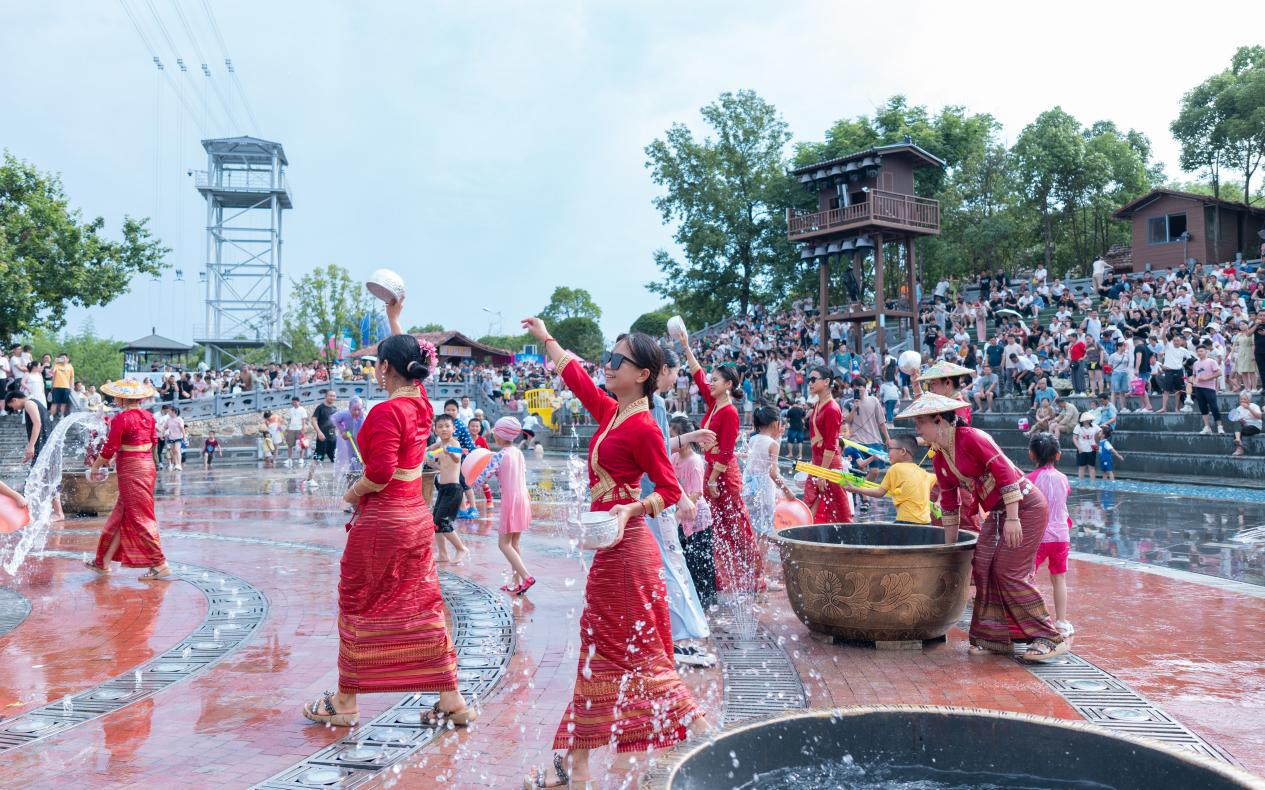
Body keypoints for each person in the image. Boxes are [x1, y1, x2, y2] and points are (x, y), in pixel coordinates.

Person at [522, 316, 706, 789]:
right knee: (601, 653)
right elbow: (577, 379)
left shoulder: (643, 426)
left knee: (632, 655)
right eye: (608, 357)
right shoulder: (613, 412)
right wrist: (546, 338)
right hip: (613, 552)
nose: (607, 365)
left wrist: (631, 509)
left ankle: (702, 731)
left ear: (642, 374)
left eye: (617, 361)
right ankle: (578, 764)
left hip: (629, 553)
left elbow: (668, 489)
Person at [305, 297, 473, 730]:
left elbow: (378, 473)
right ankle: (452, 698)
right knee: (421, 602)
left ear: (383, 368)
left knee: (359, 601)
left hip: (384, 521)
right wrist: (395, 319)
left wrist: (352, 493)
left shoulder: (386, 411)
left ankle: (346, 701)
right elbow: (411, 366)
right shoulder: (422, 405)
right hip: (415, 517)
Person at [898, 392, 1067, 662]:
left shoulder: (973, 437)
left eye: (921, 422)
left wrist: (1013, 518)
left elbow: (1005, 473)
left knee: (1008, 570)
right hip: (999, 512)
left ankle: (1048, 636)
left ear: (939, 420)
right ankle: (995, 638)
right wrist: (950, 547)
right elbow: (950, 504)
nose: (917, 429)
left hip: (1025, 507)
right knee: (983, 566)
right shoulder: (940, 457)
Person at [680, 334, 762, 596]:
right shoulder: (714, 404)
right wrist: (686, 346)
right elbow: (697, 375)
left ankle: (754, 575)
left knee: (736, 524)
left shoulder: (729, 412)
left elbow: (726, 451)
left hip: (723, 476)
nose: (710, 383)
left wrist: (714, 479)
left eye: (715, 380)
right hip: (711, 472)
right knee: (715, 525)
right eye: (711, 379)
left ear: (728, 384)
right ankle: (724, 576)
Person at [85, 379, 171, 580]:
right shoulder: (148, 416)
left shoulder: (121, 418)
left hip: (131, 469)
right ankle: (103, 562)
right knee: (122, 515)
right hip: (146, 466)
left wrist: (95, 467)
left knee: (140, 517)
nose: (115, 399)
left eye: (117, 397)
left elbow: (109, 447)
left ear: (123, 399)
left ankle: (160, 564)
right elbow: (153, 441)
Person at [473, 417, 534, 594]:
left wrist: (468, 484)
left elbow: (482, 478)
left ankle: (527, 577)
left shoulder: (499, 456)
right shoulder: (518, 452)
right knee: (514, 543)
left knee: (503, 544)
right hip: (523, 498)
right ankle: (516, 583)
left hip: (510, 502)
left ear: (500, 435)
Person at [1026, 433, 1073, 637]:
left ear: (1031, 454)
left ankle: (1032, 619)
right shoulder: (1063, 478)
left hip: (1038, 537)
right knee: (1059, 578)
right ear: (1058, 455)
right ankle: (1061, 621)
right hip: (1061, 536)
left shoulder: (1029, 480)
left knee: (1027, 578)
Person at [743, 406, 793, 592]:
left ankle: (750, 574)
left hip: (749, 489)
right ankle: (760, 577)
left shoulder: (754, 439)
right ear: (775, 423)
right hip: (764, 492)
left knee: (754, 532)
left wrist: (777, 436)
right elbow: (773, 472)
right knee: (764, 534)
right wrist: (787, 491)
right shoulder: (773, 444)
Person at [671, 415, 716, 610]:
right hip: (682, 513)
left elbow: (696, 493)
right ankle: (692, 599)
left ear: (685, 438)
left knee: (701, 561)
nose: (671, 441)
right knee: (686, 559)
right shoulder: (674, 457)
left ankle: (706, 602)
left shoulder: (694, 461)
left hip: (697, 518)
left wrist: (679, 513)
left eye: (673, 437)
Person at [843, 434, 934, 524]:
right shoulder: (924, 473)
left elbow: (879, 492)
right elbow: (939, 480)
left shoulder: (895, 468)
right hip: (926, 523)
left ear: (902, 451)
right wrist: (937, 501)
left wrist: (855, 489)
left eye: (890, 449)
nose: (887, 453)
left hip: (906, 522)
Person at [802, 366, 853, 524]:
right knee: (810, 504)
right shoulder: (818, 404)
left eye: (813, 379)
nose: (810, 383)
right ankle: (811, 536)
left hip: (829, 465)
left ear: (826, 382)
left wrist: (823, 474)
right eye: (809, 380)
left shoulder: (831, 408)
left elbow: (831, 445)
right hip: (818, 463)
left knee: (839, 511)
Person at [426, 414, 471, 564]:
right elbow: (428, 450)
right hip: (443, 489)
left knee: (443, 522)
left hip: (454, 490)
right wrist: (433, 463)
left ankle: (461, 548)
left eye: (447, 426)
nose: (444, 429)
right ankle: (443, 554)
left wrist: (450, 452)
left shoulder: (454, 444)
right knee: (435, 523)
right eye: (440, 427)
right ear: (435, 430)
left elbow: (457, 458)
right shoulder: (440, 444)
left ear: (454, 428)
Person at [1191, 344, 1226, 435]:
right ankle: (1207, 427)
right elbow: (1194, 375)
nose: (1199, 353)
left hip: (1209, 388)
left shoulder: (1211, 361)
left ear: (1206, 351)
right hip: (1198, 388)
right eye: (1198, 351)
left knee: (1214, 407)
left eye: (1201, 351)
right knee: (1203, 408)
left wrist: (1206, 378)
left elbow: (1219, 373)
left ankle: (1220, 427)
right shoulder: (1195, 363)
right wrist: (1193, 381)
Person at [331, 397, 366, 483]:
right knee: (352, 458)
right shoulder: (345, 414)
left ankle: (361, 479)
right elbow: (334, 418)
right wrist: (343, 430)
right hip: (350, 440)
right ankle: (353, 479)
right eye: (354, 409)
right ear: (349, 408)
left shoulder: (364, 416)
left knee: (362, 458)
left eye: (359, 409)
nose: (356, 412)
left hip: (362, 441)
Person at [310, 389, 339, 463]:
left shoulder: (334, 408)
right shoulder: (320, 407)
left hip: (333, 438)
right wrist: (319, 432)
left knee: (336, 460)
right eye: (330, 396)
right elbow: (313, 420)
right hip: (322, 438)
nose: (332, 397)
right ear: (326, 396)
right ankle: (311, 471)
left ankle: (337, 472)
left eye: (334, 396)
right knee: (317, 459)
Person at [1229, 392, 1262, 456]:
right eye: (1241, 399)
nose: (1242, 401)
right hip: (1244, 427)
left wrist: (1249, 408)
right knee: (1237, 426)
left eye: (1245, 399)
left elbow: (1260, 417)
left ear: (1249, 400)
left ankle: (1239, 445)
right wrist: (1240, 421)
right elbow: (1235, 420)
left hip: (1255, 427)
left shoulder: (1255, 406)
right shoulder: (1238, 408)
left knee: (1237, 431)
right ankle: (1238, 443)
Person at [1072, 412, 1098, 481]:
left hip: (1092, 450)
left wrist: (1096, 442)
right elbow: (1074, 438)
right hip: (1082, 450)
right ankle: (1081, 483)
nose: (1087, 420)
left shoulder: (1094, 426)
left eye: (1088, 419)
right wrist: (1078, 447)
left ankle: (1093, 483)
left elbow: (1100, 432)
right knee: (1081, 467)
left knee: (1091, 467)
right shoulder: (1078, 427)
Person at [48, 352, 74, 418]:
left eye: (64, 358)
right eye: (61, 358)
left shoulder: (70, 366)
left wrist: (71, 387)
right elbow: (50, 373)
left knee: (64, 403)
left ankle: (62, 415)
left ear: (67, 359)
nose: (62, 359)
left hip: (66, 387)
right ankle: (51, 415)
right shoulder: (57, 365)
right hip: (56, 386)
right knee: (54, 402)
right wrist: (54, 363)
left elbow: (72, 378)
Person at [164, 406, 186, 471]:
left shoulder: (179, 419)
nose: (168, 412)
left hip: (178, 437)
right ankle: (176, 464)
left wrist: (184, 437)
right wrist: (162, 434)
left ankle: (179, 465)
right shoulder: (168, 420)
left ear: (173, 412)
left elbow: (182, 429)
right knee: (173, 451)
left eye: (169, 411)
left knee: (177, 450)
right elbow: (165, 427)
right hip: (171, 437)